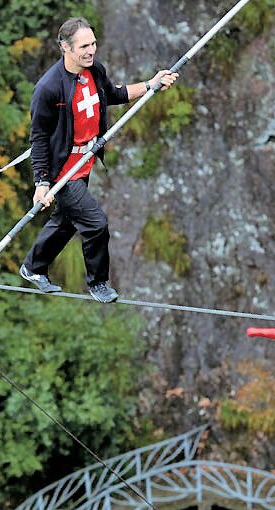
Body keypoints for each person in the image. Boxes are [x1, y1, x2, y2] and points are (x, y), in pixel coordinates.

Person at [19, 17, 179, 303]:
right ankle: (98, 283)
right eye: (84, 46)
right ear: (65, 48)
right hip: (62, 171)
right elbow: (39, 139)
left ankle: (33, 267)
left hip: (84, 164)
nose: (91, 50)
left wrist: (151, 84)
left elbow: (115, 95)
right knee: (96, 224)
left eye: (93, 43)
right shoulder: (49, 88)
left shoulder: (94, 72)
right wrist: (42, 183)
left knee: (67, 221)